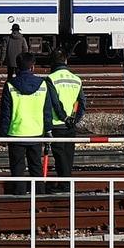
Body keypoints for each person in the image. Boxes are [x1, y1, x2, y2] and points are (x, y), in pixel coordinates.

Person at [0, 52, 66, 195]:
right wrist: (48, 131)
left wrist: (2, 134)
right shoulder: (43, 85)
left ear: (17, 67)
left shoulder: (10, 85)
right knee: (36, 167)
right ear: (32, 67)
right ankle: (39, 194)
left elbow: (6, 113)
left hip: (16, 133)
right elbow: (47, 112)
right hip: (36, 133)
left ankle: (19, 196)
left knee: (17, 168)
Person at [46, 50, 86, 193]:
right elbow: (82, 102)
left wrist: (63, 117)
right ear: (66, 62)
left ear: (52, 62)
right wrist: (75, 119)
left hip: (58, 123)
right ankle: (67, 182)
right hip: (71, 125)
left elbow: (54, 103)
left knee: (59, 154)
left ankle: (65, 184)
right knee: (69, 154)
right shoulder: (76, 79)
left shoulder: (50, 79)